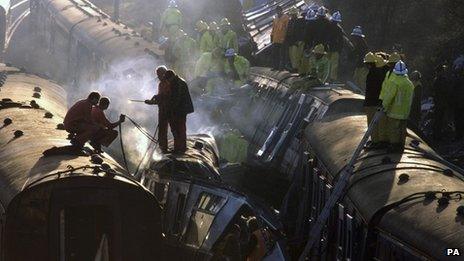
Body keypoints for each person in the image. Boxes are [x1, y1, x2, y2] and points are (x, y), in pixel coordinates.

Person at [380, 61, 415, 152]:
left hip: (394, 112)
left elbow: (389, 96)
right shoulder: (410, 84)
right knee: (402, 130)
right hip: (405, 112)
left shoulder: (394, 82)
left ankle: (394, 146)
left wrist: (384, 106)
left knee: (393, 129)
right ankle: (401, 146)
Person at [363, 52, 389, 149]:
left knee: (372, 124)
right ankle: (381, 141)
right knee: (381, 123)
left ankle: (375, 142)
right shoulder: (382, 73)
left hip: (372, 103)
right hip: (379, 102)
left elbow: (370, 90)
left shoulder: (372, 74)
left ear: (369, 64)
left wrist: (366, 103)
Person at [145, 66, 173, 153]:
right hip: (162, 109)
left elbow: (168, 97)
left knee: (174, 129)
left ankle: (177, 148)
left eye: (159, 75)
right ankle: (163, 148)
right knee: (162, 130)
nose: (159, 77)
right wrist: (152, 102)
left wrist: (155, 100)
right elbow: (160, 98)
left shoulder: (170, 83)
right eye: (158, 75)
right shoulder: (160, 84)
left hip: (171, 109)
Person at [166, 70, 194, 153]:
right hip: (180, 110)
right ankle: (179, 147)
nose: (167, 81)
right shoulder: (178, 81)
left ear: (170, 77)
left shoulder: (178, 83)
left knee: (179, 129)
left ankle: (180, 148)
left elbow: (176, 99)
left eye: (167, 79)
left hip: (180, 110)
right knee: (178, 129)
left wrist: (171, 109)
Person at [431, 64, 453, 140]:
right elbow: (446, 91)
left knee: (438, 119)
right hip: (442, 103)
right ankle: (438, 135)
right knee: (440, 120)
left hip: (438, 102)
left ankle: (436, 135)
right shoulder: (442, 80)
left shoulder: (436, 79)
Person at [285, 7, 306, 72]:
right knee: (292, 56)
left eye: (294, 14)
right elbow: (288, 31)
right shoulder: (290, 22)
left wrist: (299, 41)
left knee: (297, 56)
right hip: (291, 41)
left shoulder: (300, 21)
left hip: (298, 41)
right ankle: (294, 68)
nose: (293, 16)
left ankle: (297, 69)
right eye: (292, 14)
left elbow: (302, 32)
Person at [326, 11, 345, 81]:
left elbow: (341, 41)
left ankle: (329, 78)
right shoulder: (337, 29)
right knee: (332, 64)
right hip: (332, 48)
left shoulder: (329, 27)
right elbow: (341, 41)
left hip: (331, 48)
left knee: (331, 64)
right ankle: (330, 78)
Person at [270, 5, 290, 69]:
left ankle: (282, 67)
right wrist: (271, 36)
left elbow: (287, 29)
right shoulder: (275, 18)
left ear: (281, 10)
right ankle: (275, 66)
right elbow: (273, 29)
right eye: (277, 11)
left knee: (282, 54)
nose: (278, 12)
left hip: (282, 39)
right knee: (275, 54)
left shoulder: (286, 18)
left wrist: (285, 38)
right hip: (275, 39)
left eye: (278, 11)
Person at [350, 26, 369, 90]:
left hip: (363, 65)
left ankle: (363, 92)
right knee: (355, 78)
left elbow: (360, 53)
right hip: (359, 64)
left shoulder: (361, 44)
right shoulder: (359, 42)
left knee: (361, 80)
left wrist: (353, 54)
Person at [452, 65, 464, 140]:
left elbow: (452, 92)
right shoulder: (459, 81)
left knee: (458, 120)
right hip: (460, 103)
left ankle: (459, 135)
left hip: (457, 103)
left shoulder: (456, 81)